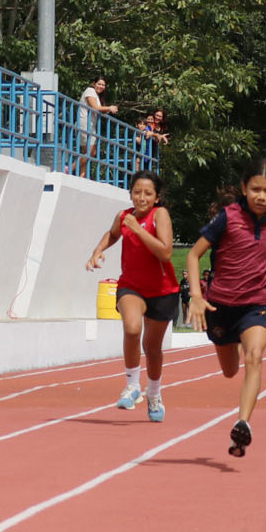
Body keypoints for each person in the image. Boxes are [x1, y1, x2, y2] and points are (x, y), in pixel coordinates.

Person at [186, 157, 266, 458]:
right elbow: (194, 255)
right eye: (256, 189)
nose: (262, 196)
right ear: (245, 187)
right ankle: (232, 342)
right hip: (220, 305)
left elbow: (259, 251)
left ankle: (243, 422)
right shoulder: (227, 217)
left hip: (254, 304)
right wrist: (196, 296)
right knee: (230, 371)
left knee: (255, 356)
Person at [85, 170, 177, 422]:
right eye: (137, 192)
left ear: (157, 197)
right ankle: (132, 384)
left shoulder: (160, 215)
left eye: (148, 193)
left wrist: (138, 230)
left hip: (163, 290)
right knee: (132, 328)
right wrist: (97, 251)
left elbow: (166, 253)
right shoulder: (124, 217)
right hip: (131, 287)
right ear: (130, 194)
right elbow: (113, 234)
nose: (142, 197)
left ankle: (154, 394)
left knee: (152, 347)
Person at [76, 77, 119, 179]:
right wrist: (109, 108)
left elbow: (98, 108)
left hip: (90, 125)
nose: (101, 87)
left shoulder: (96, 94)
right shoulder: (90, 91)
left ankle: (82, 176)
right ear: (94, 83)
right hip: (85, 123)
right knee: (91, 152)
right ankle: (70, 168)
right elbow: (95, 107)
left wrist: (106, 110)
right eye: (99, 84)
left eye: (103, 85)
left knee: (86, 152)